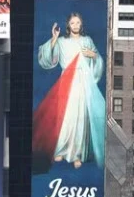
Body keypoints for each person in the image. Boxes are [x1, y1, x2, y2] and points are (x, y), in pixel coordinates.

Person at [33, 12, 106, 171]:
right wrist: (53, 38)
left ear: (81, 25)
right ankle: (62, 149)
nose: (75, 26)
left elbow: (98, 60)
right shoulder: (61, 41)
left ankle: (78, 154)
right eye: (72, 23)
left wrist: (93, 55)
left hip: (82, 82)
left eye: (78, 23)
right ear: (68, 25)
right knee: (65, 116)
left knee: (80, 117)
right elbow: (47, 58)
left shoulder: (87, 41)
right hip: (66, 81)